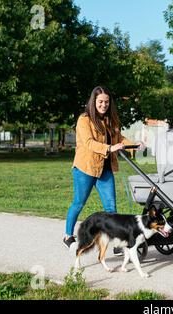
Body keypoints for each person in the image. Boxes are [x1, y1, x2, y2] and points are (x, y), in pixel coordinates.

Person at [63, 86, 143, 250]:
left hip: (105, 169)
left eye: (106, 102)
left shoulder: (110, 119)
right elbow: (88, 143)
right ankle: (67, 236)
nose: (103, 105)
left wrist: (134, 145)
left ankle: (116, 241)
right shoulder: (84, 119)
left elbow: (118, 138)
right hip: (86, 168)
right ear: (94, 101)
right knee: (78, 203)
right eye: (100, 101)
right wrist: (109, 148)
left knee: (111, 208)